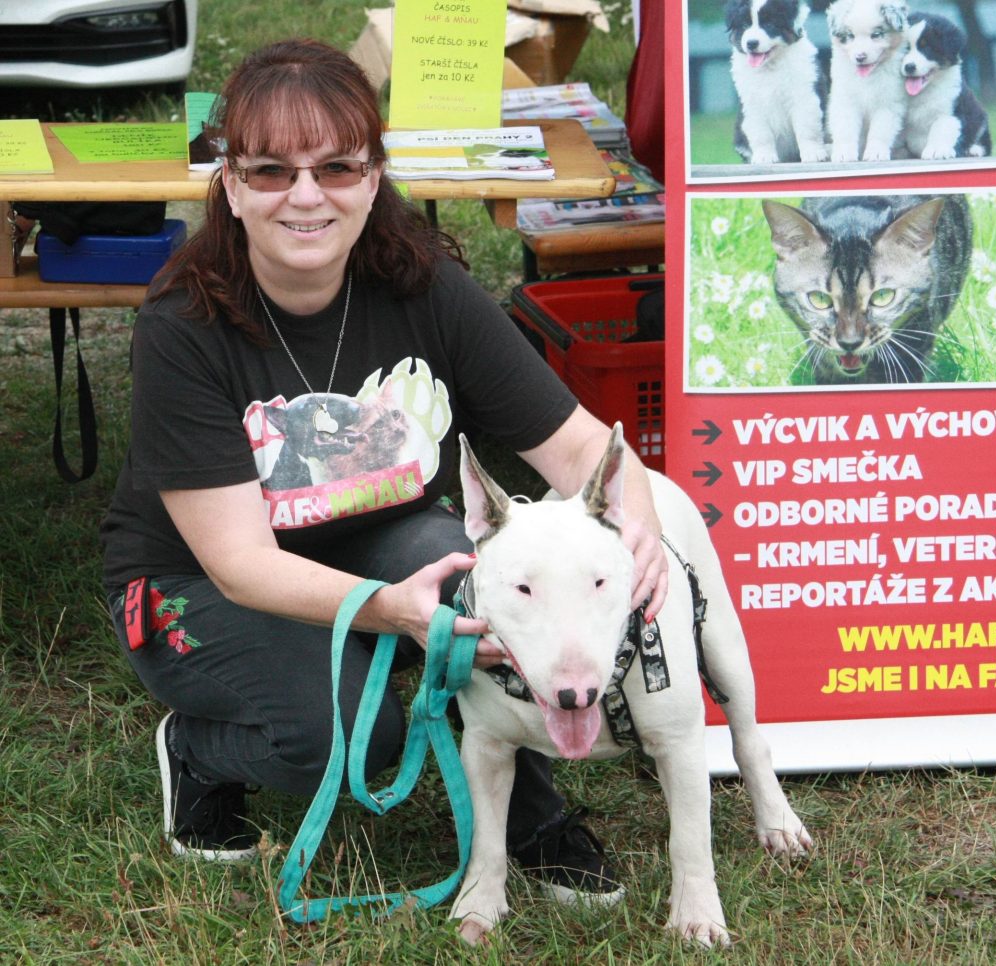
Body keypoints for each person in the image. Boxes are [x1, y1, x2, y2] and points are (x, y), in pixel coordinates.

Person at [100, 39, 667, 904]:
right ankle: (198, 750)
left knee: (478, 572)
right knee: (353, 739)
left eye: (335, 167)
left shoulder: (424, 288)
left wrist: (645, 530)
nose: (305, 195)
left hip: (376, 544)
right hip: (197, 583)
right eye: (270, 170)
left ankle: (531, 818)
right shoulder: (185, 324)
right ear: (229, 185)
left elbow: (586, 449)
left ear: (372, 179)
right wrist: (386, 609)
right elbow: (239, 563)